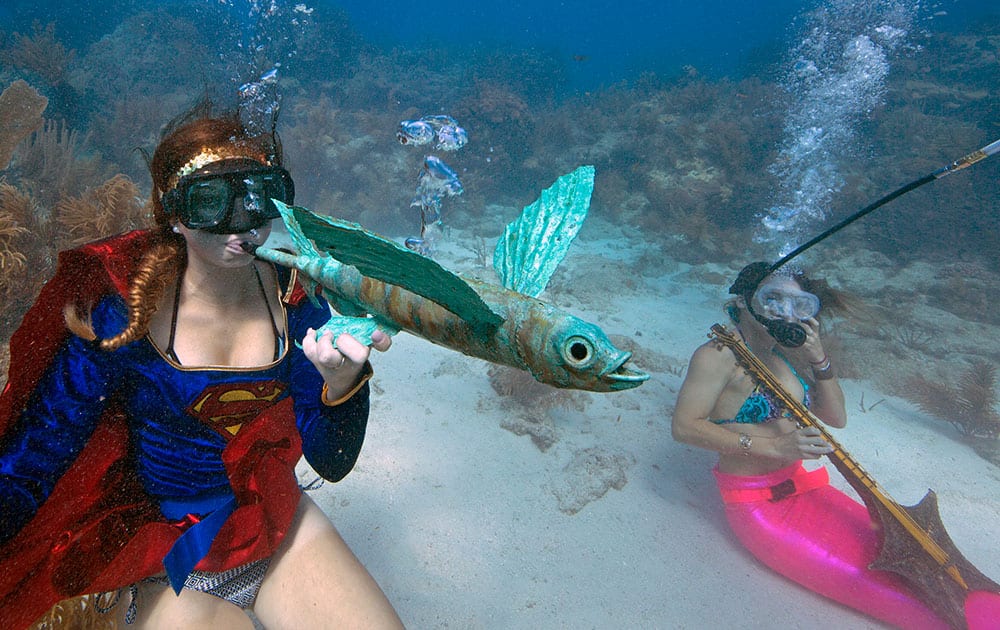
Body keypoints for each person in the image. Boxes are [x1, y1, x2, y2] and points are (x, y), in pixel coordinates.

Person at [0, 107, 404, 629]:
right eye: (211, 201)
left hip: (273, 515)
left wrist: (344, 385)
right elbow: (39, 453)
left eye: (256, 199)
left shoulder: (295, 300)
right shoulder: (126, 319)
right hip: (162, 547)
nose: (241, 226)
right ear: (173, 212)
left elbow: (331, 461)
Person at [671, 262, 949, 629]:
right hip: (760, 507)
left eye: (796, 304)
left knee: (919, 565)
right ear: (745, 298)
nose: (783, 312)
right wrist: (775, 448)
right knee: (903, 598)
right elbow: (684, 427)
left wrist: (819, 357)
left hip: (805, 488)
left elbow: (835, 417)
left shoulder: (779, 355)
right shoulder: (718, 355)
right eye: (773, 299)